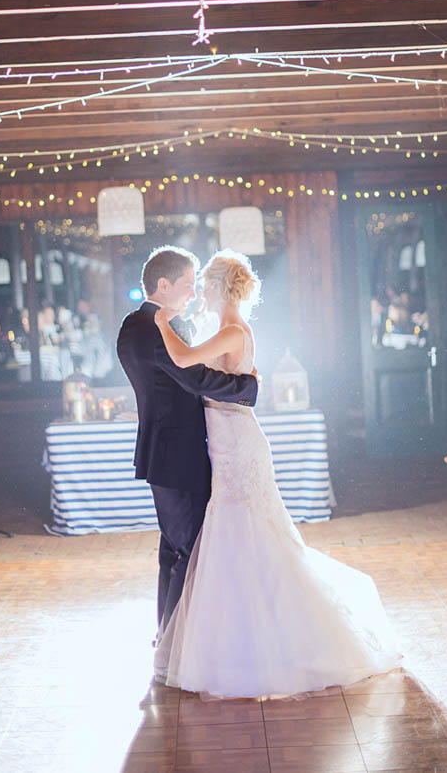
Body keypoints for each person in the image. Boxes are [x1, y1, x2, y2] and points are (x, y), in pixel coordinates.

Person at [153, 249, 400, 699]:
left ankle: (263, 645)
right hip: (229, 442)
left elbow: (185, 362)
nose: (200, 292)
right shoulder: (232, 330)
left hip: (237, 445)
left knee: (246, 534)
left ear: (219, 287)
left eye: (204, 285)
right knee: (243, 536)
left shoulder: (230, 330)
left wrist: (160, 323)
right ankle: (244, 640)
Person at [116, 246, 258, 633]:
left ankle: (167, 635)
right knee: (189, 551)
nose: (193, 294)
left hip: (161, 451)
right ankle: (177, 642)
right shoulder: (166, 328)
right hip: (180, 453)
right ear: (163, 285)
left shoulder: (131, 325)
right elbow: (193, 379)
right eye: (186, 285)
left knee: (173, 550)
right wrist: (247, 387)